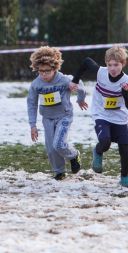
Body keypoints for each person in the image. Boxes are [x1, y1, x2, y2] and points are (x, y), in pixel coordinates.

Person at [71, 47, 128, 187]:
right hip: (101, 113)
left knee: (124, 149)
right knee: (105, 143)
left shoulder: (127, 81)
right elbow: (86, 61)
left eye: (116, 65)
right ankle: (97, 151)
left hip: (119, 117)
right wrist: (75, 80)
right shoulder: (101, 72)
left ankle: (124, 177)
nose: (112, 68)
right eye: (110, 64)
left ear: (123, 64)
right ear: (106, 63)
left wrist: (125, 93)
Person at [26, 47, 87, 180]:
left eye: (47, 71)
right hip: (47, 118)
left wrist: (80, 99)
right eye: (40, 71)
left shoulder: (64, 80)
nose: (44, 74)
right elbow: (31, 104)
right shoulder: (36, 84)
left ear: (54, 68)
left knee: (59, 144)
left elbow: (79, 83)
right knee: (51, 149)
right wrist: (33, 125)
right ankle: (60, 172)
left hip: (64, 116)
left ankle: (73, 155)